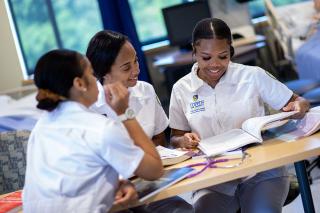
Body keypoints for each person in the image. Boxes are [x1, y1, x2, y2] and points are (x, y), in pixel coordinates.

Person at [169, 18, 310, 213]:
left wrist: (298, 106)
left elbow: (299, 101)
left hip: (262, 170)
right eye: (206, 58)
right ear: (194, 50)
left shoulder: (252, 75)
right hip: (214, 177)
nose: (215, 65)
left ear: (230, 50)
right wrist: (183, 140)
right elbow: (176, 137)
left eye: (223, 56)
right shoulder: (181, 89)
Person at [22, 49, 163, 213]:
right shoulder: (101, 129)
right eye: (91, 73)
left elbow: (74, 177)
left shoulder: (40, 128)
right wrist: (125, 113)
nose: (96, 79)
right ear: (79, 84)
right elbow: (155, 170)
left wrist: (116, 183)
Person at [86, 30, 193, 213]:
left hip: (148, 181)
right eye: (126, 67)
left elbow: (159, 138)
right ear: (104, 72)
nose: (136, 70)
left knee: (183, 210)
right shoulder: (89, 106)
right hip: (111, 192)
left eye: (136, 60)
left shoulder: (146, 91)